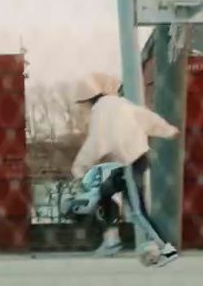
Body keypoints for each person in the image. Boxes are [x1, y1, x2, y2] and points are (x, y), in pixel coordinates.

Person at [71, 72, 181, 265]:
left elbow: (96, 142)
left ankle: (167, 249)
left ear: (90, 100)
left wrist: (79, 168)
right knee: (105, 191)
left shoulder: (101, 112)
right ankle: (111, 239)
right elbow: (147, 118)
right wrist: (167, 130)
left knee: (138, 212)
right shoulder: (121, 104)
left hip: (131, 162)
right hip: (135, 160)